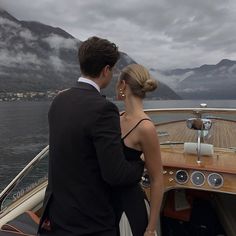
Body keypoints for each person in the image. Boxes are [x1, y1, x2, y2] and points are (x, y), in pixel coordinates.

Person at [37, 37, 144, 236]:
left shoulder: (59, 100)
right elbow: (115, 175)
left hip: (56, 216)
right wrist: (140, 165)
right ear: (106, 70)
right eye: (112, 70)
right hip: (89, 223)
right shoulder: (104, 109)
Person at [114, 64, 164, 236]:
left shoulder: (145, 127)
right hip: (107, 205)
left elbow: (157, 180)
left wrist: (151, 228)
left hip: (129, 209)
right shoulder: (116, 118)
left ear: (123, 85)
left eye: (117, 83)